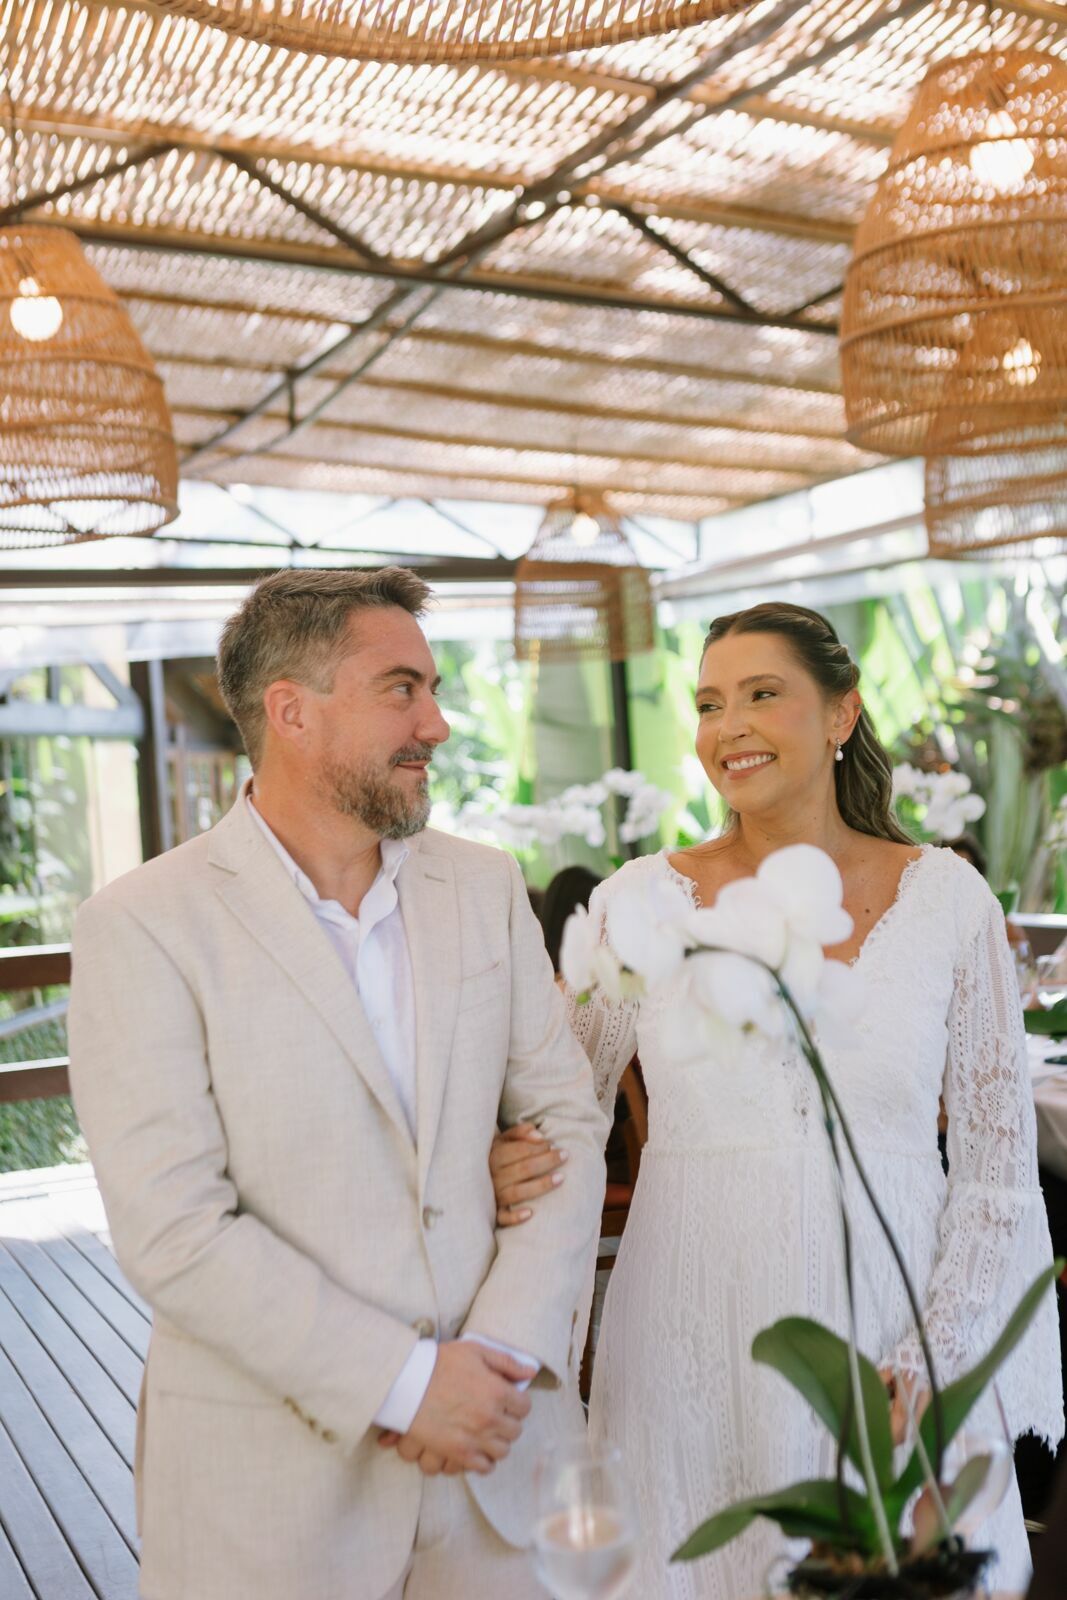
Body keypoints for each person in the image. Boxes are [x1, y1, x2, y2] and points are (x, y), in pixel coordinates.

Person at [491, 601, 1063, 1598]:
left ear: (840, 712)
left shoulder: (948, 899)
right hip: (686, 1333)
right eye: (709, 703)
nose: (728, 727)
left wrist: (932, 1357)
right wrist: (510, 1151)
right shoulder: (637, 901)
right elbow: (561, 1105)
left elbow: (995, 1171)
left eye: (762, 694)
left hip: (891, 1339)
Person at [68, 567, 607, 1600]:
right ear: (291, 712)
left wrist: (493, 1359)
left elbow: (567, 1124)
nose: (436, 724)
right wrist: (405, 1385)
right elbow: (174, 1229)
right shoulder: (141, 926)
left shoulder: (485, 884)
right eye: (401, 689)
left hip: (501, 1464)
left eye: (432, 689)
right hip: (270, 1498)